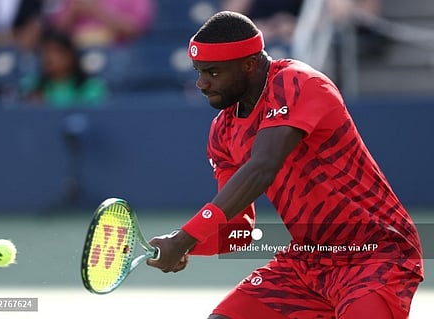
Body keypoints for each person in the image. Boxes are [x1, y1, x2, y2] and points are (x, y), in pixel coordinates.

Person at [146, 11, 424, 319]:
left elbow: (263, 168)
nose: (201, 83)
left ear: (248, 65)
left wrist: (185, 237)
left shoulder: (298, 83)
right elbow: (238, 229)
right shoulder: (222, 131)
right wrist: (186, 244)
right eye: (198, 71)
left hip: (376, 254)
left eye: (212, 72)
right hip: (308, 261)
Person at [21, 30, 108, 108]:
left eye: (56, 51)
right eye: (45, 51)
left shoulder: (91, 89)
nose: (48, 57)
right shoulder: (31, 86)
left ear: (71, 56)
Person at [46, 0, 156, 48]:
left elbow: (137, 29)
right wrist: (73, 11)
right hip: (74, 55)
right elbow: (55, 32)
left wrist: (96, 11)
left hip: (119, 52)